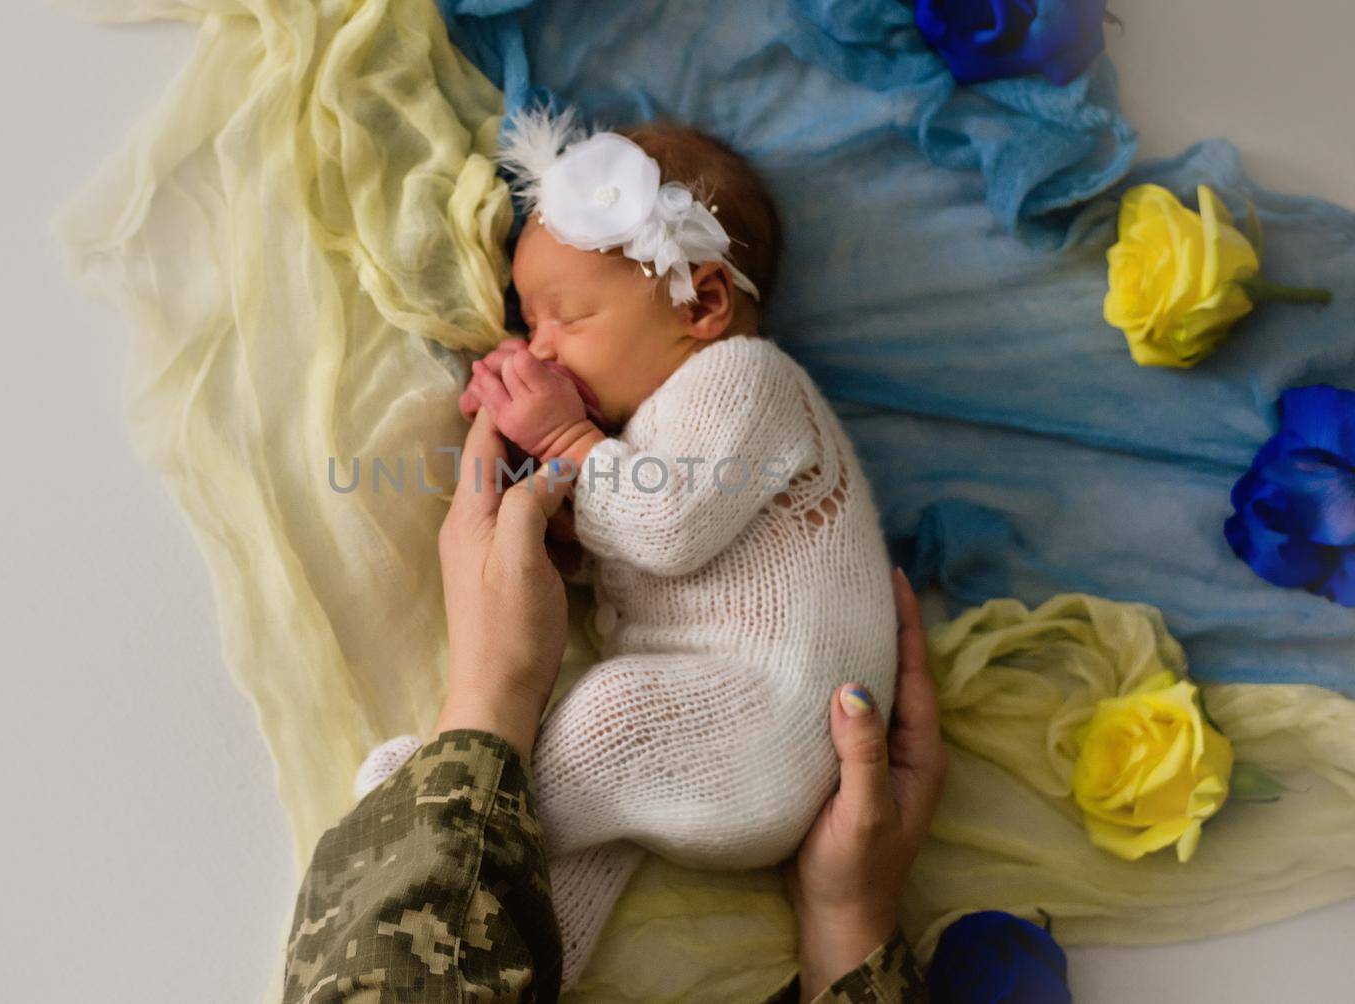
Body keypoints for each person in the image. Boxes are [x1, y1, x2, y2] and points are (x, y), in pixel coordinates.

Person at [279, 409, 945, 1002]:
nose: (541, 347)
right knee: (583, 875)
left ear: (700, 302)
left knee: (613, 719)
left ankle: (436, 825)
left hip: (771, 731)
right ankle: (442, 828)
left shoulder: (739, 376)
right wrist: (848, 923)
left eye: (570, 317)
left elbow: (671, 521)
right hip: (774, 767)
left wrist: (491, 697)